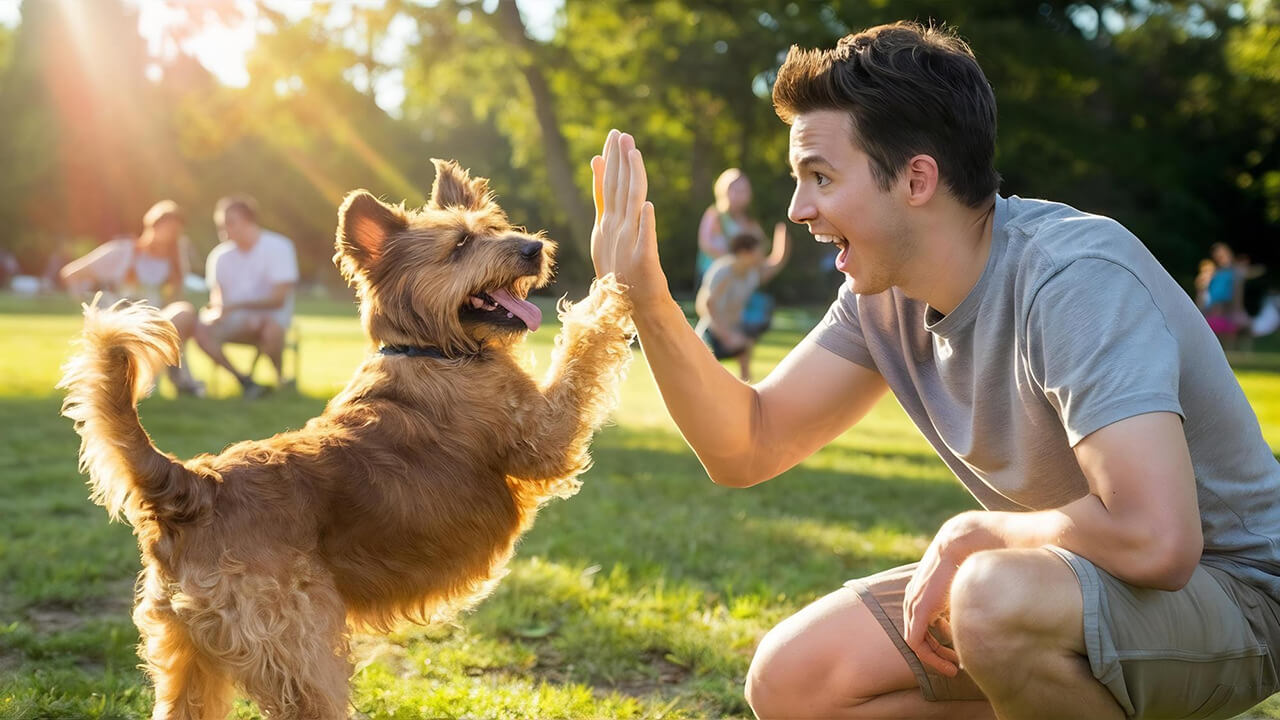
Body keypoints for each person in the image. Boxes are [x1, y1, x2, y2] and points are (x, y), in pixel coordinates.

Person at [588, 21, 1280, 720]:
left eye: (820, 177)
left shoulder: (1071, 278)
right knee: (793, 684)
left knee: (989, 596)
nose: (798, 211)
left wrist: (975, 533)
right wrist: (646, 297)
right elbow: (747, 443)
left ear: (917, 178)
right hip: (1066, 587)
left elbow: (1157, 539)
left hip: (1235, 592)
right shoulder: (881, 298)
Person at [59, 200, 204, 395]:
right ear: (151, 225)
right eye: (165, 227)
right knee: (159, 329)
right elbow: (71, 274)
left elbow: (174, 300)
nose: (169, 235)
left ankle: (155, 376)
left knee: (183, 313)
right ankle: (163, 378)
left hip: (158, 320)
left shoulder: (175, 262)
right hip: (124, 317)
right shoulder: (123, 252)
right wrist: (91, 309)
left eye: (174, 231)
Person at [195, 194, 299, 398]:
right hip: (235, 321)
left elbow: (278, 300)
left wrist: (238, 307)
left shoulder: (279, 247)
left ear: (248, 221)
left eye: (230, 223)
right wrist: (214, 314)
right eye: (221, 224)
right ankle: (244, 381)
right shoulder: (220, 256)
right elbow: (219, 300)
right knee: (201, 329)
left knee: (270, 329)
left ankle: (279, 379)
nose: (224, 229)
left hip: (272, 318)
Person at [695, 226, 789, 381]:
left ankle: (748, 398)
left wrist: (782, 238)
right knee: (704, 378)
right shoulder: (722, 271)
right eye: (758, 251)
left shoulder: (751, 274)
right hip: (712, 332)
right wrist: (726, 336)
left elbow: (774, 264)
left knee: (745, 367)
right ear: (745, 253)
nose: (761, 256)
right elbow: (707, 305)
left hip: (734, 329)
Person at [696, 169, 766, 288]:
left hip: (739, 276)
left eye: (743, 191)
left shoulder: (749, 221)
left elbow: (760, 246)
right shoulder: (715, 215)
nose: (738, 195)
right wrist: (731, 261)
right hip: (713, 274)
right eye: (734, 190)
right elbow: (705, 244)